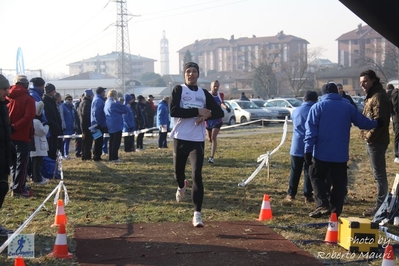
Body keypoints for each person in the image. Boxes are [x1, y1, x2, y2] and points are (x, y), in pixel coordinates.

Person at [304, 82, 382, 218]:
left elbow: (311, 132)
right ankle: (335, 212)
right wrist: (377, 122)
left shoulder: (317, 107)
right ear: (337, 92)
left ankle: (322, 203)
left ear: (324, 94)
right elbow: (362, 122)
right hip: (340, 154)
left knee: (316, 176)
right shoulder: (347, 106)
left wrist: (307, 150)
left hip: (321, 153)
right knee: (339, 184)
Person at [170, 62, 224, 227]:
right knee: (178, 173)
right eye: (188, 71)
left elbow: (219, 111)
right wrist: (197, 111)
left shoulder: (203, 93)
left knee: (196, 175)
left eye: (194, 71)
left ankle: (197, 214)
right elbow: (174, 111)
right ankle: (181, 186)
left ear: (198, 74)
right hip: (180, 137)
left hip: (197, 140)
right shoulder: (179, 90)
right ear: (184, 74)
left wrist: (206, 116)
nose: (191, 74)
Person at [359, 70, 391, 217]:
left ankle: (381, 206)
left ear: (373, 80)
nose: (362, 85)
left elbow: (380, 122)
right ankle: (382, 203)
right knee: (376, 173)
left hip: (377, 141)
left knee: (379, 175)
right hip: (372, 140)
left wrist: (369, 137)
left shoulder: (378, 96)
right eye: (361, 82)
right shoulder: (371, 95)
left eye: (365, 81)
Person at [285, 91, 318, 203]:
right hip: (311, 146)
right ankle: (308, 195)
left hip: (297, 145)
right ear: (315, 100)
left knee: (295, 171)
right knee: (308, 171)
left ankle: (291, 194)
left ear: (304, 99)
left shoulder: (296, 111)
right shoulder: (316, 110)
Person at [7, 75, 36, 197]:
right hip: (22, 134)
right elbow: (28, 117)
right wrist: (16, 126)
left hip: (8, 134)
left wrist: (10, 127)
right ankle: (18, 189)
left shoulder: (6, 96)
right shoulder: (28, 99)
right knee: (22, 162)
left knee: (13, 162)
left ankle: (15, 184)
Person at [0, 74, 15, 234]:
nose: (7, 92)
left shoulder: (4, 106)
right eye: (4, 88)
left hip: (3, 155)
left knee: (3, 187)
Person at [205, 80, 231, 163]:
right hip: (208, 119)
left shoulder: (220, 95)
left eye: (217, 86)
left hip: (217, 119)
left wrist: (226, 107)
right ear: (211, 86)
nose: (216, 88)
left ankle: (211, 157)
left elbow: (221, 103)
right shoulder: (207, 95)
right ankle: (212, 145)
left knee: (213, 137)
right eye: (214, 86)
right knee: (209, 138)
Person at [104, 89, 129, 162]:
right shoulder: (114, 103)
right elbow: (125, 109)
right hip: (116, 124)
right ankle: (114, 157)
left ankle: (111, 157)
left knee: (111, 141)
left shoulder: (107, 102)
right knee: (116, 142)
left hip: (110, 124)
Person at [30, 101, 49, 185]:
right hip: (37, 144)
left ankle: (37, 177)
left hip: (37, 144)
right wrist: (47, 126)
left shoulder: (34, 121)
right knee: (37, 163)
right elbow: (42, 132)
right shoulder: (36, 122)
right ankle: (37, 179)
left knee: (36, 162)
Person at [42, 83, 63, 160]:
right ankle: (50, 166)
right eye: (53, 90)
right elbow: (47, 116)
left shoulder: (51, 101)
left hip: (54, 129)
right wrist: (54, 125)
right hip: (50, 130)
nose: (55, 92)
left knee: (55, 148)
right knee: (51, 149)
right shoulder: (45, 101)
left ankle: (54, 165)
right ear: (50, 91)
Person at [91, 87, 107, 161]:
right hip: (97, 124)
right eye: (104, 91)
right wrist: (99, 123)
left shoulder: (97, 99)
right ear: (101, 92)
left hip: (95, 123)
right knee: (98, 140)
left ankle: (97, 155)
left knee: (98, 140)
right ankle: (96, 156)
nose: (105, 93)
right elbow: (96, 113)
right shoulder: (98, 100)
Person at [79, 89, 94, 161]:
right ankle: (86, 155)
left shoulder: (83, 102)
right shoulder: (87, 103)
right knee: (87, 141)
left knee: (86, 141)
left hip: (84, 125)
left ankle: (85, 155)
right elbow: (85, 115)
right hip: (87, 125)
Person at [60, 94, 75, 160]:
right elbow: (62, 117)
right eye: (68, 99)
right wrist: (63, 125)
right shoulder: (63, 106)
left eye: (71, 99)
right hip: (66, 126)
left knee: (68, 141)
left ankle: (66, 153)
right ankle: (64, 154)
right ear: (65, 100)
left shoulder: (71, 107)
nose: (70, 101)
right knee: (64, 141)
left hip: (70, 126)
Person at [73, 93, 84, 158]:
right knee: (78, 140)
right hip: (77, 124)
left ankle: (82, 151)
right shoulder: (77, 104)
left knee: (83, 140)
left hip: (82, 124)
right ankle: (77, 152)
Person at [391, 85, 399, 164]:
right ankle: (397, 155)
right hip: (397, 119)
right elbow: (395, 106)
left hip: (396, 118)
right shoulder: (395, 93)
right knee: (397, 136)